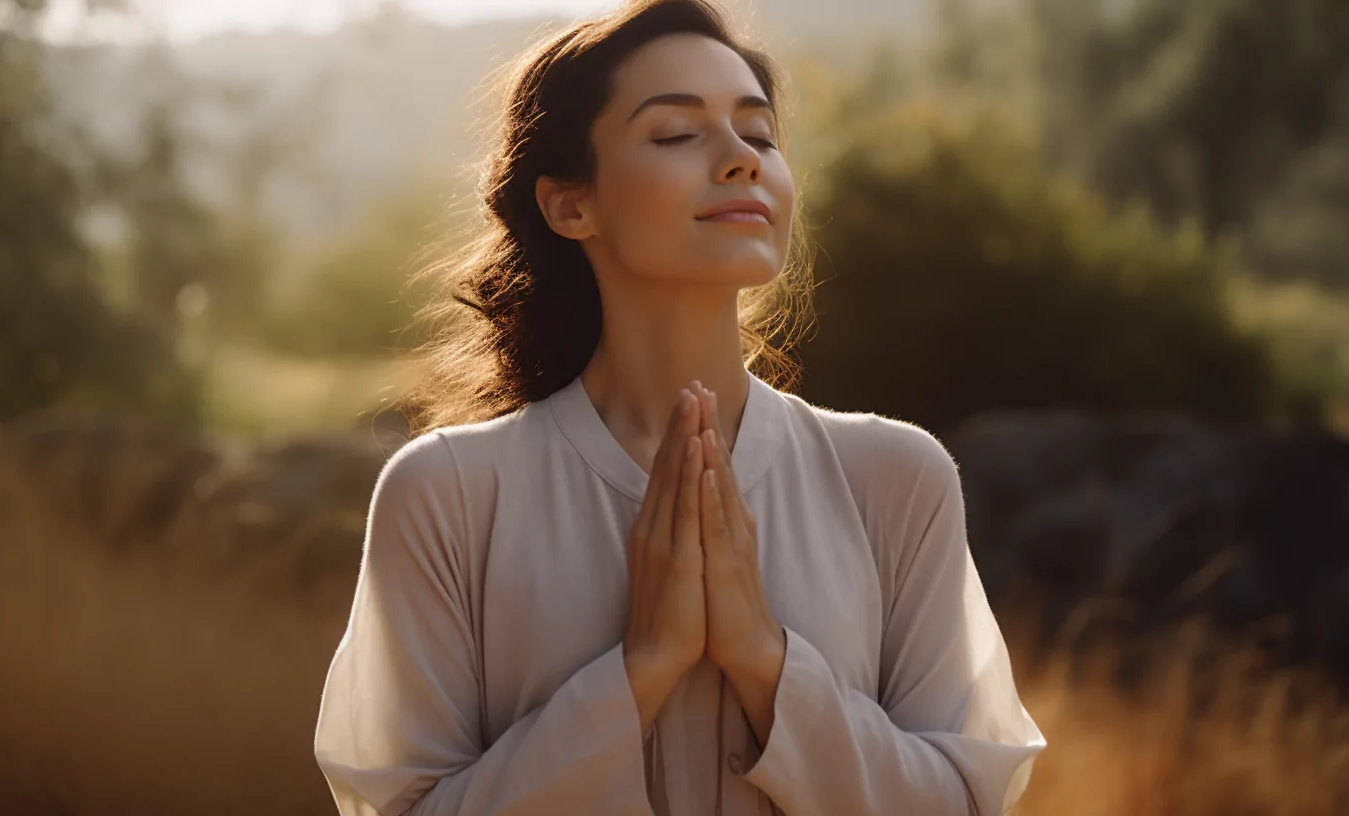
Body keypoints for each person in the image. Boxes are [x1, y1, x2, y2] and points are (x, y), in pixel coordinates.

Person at [313, 1, 1047, 813]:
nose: (742, 160)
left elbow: (968, 800)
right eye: (675, 134)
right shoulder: (447, 495)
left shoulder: (895, 478)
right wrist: (642, 668)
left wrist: (765, 661)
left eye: (760, 134)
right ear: (569, 206)